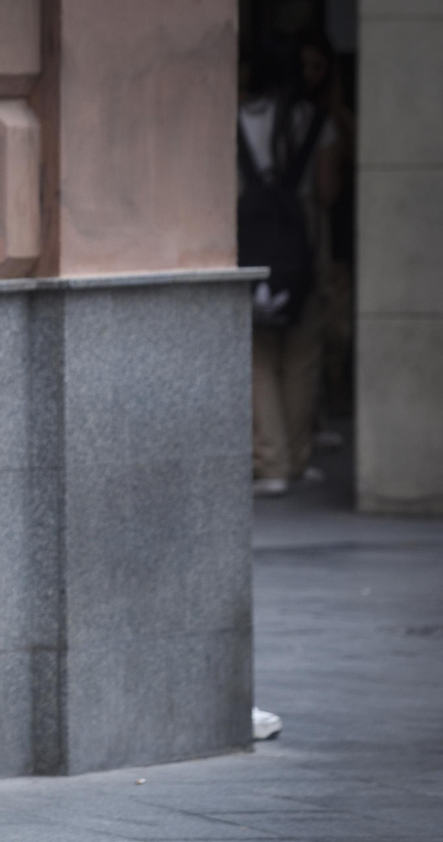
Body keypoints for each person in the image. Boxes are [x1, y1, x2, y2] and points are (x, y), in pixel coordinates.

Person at [240, 35, 340, 498]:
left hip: (251, 248)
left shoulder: (238, 120)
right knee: (303, 354)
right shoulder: (314, 121)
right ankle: (296, 458)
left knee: (258, 355)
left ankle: (271, 459)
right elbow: (326, 191)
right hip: (305, 247)